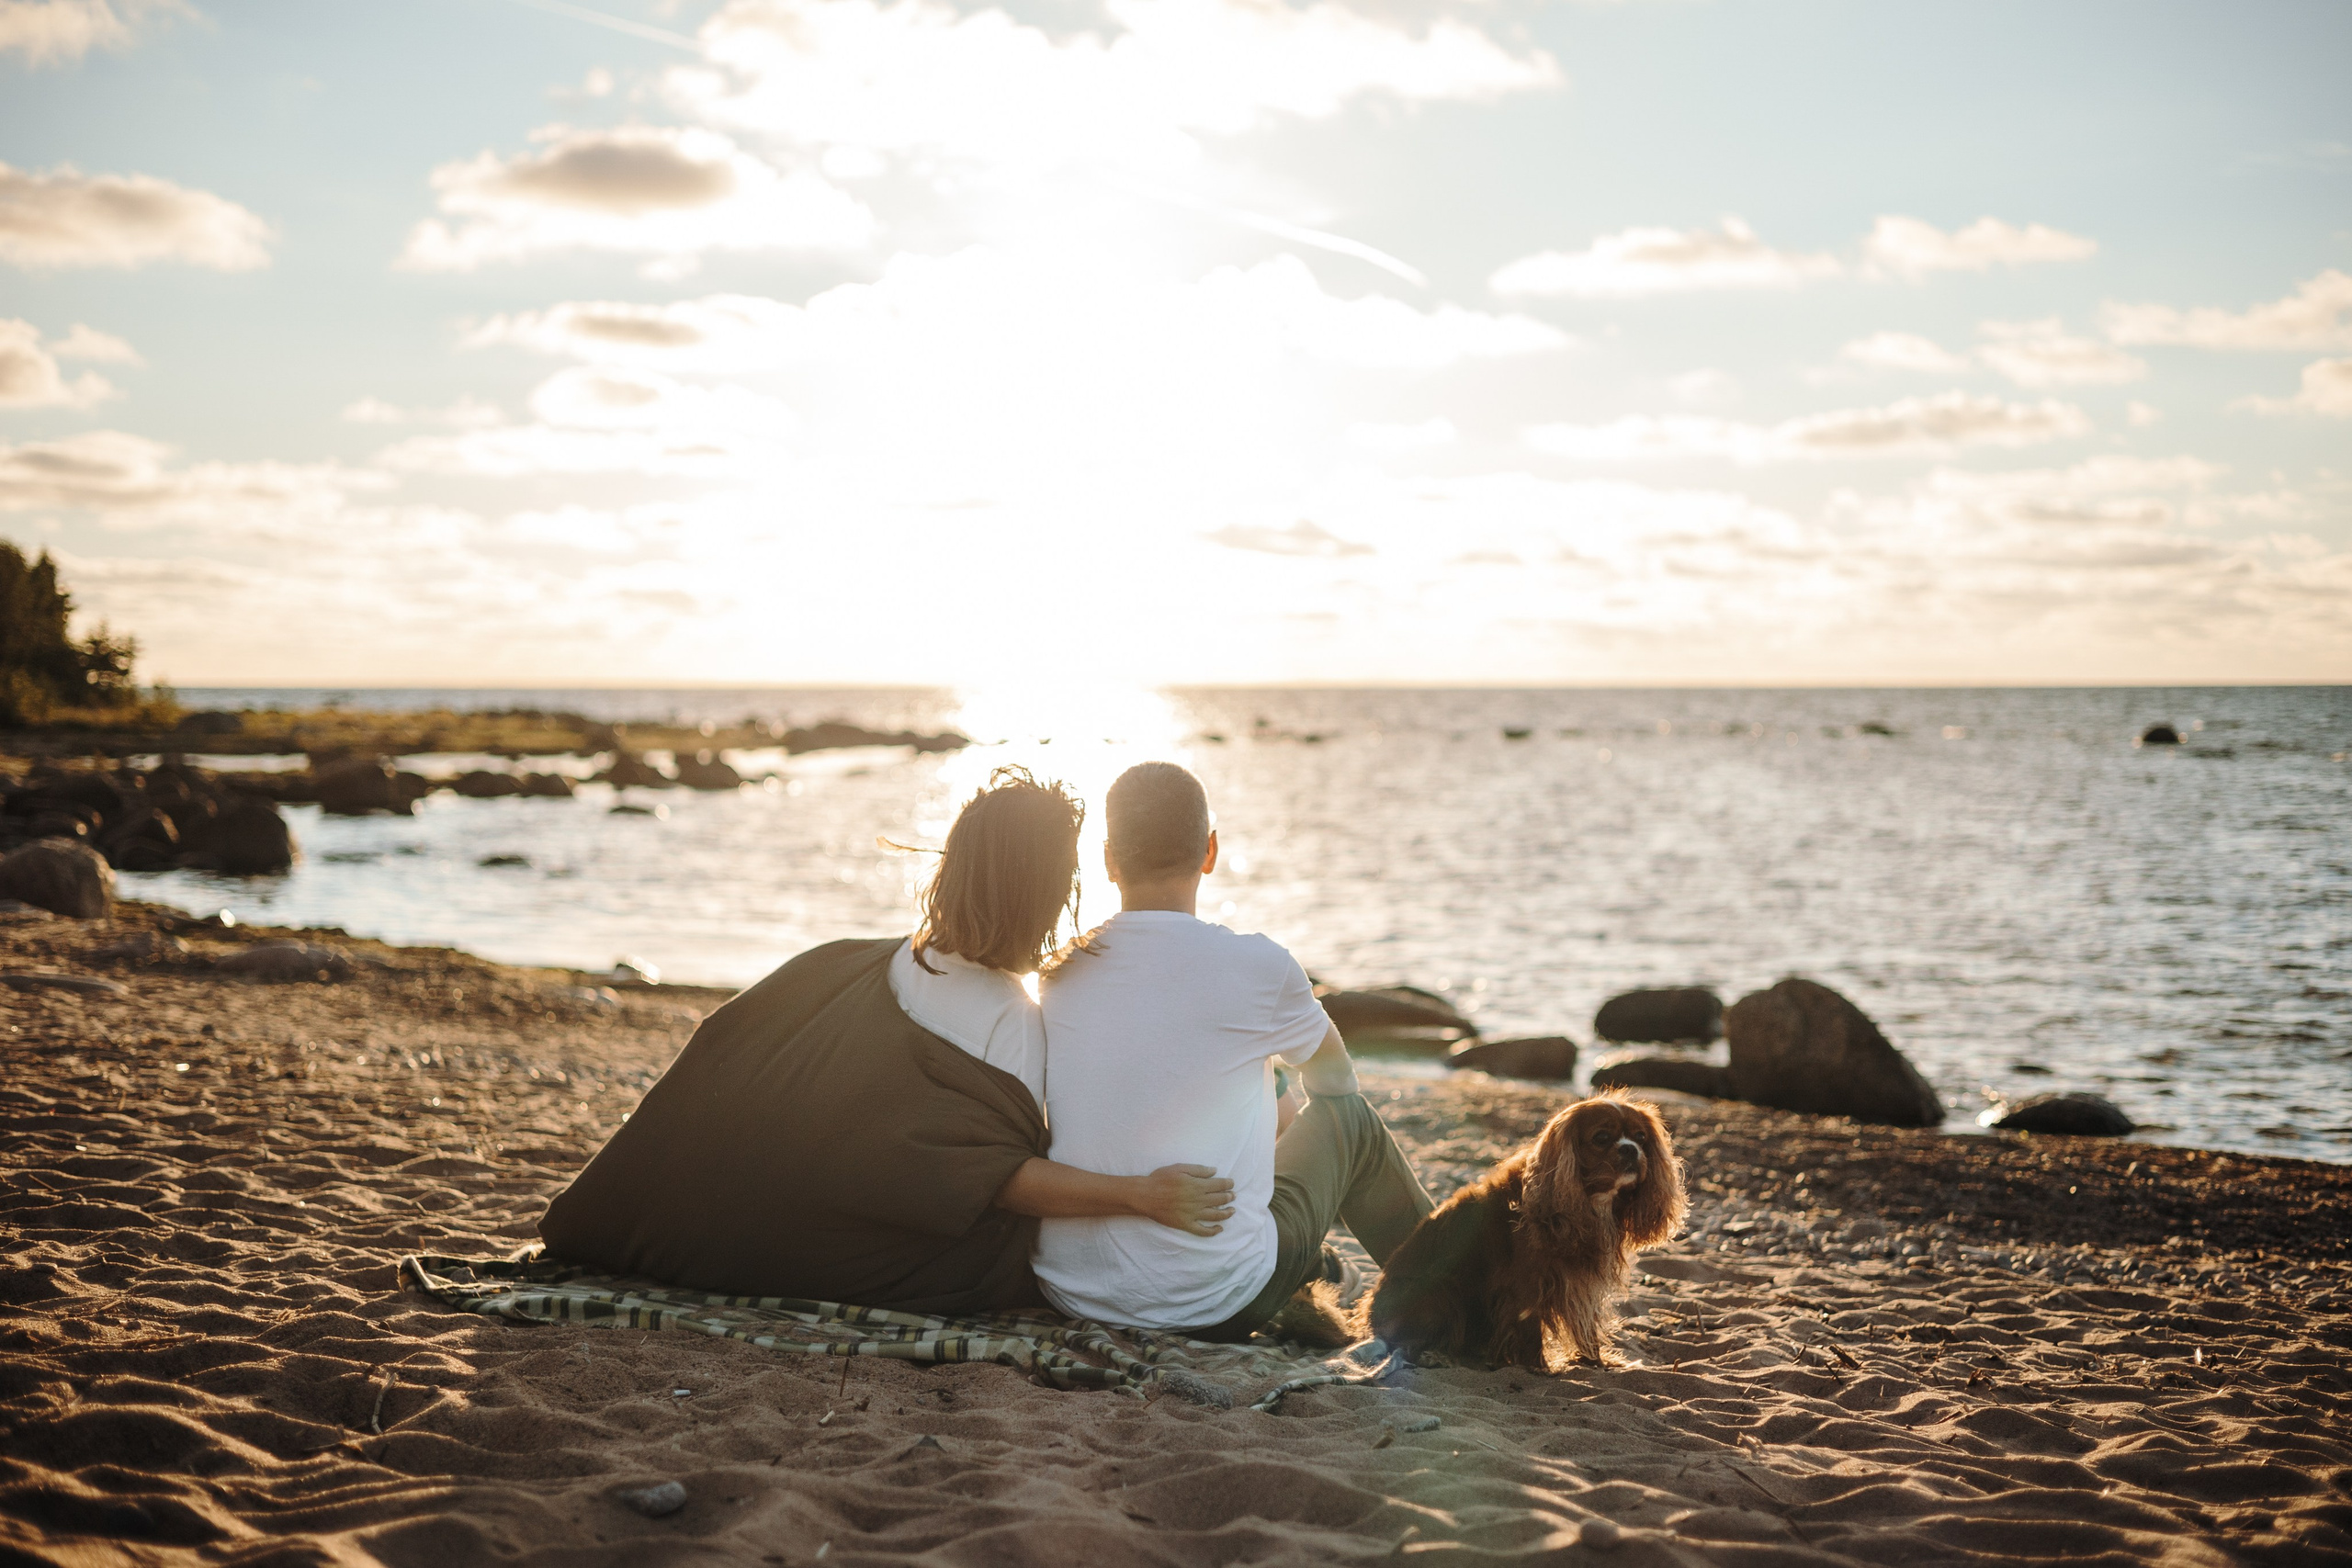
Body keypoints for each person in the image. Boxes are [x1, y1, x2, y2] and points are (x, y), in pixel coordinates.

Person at [537, 767, 1233, 1314]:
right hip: (874, 1247)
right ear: (1046, 894)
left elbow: (725, 1051)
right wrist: (1139, 1194)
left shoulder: (852, 959)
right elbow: (1001, 1181)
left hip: (760, 1212)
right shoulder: (1010, 1019)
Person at [1033, 761, 1435, 1337]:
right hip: (1216, 1302)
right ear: (1210, 851)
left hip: (1073, 1291)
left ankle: (1330, 1270)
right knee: (1352, 1124)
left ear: (1108, 860)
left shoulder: (1057, 971)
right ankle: (1459, 1295)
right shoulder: (1258, 966)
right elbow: (1335, 1084)